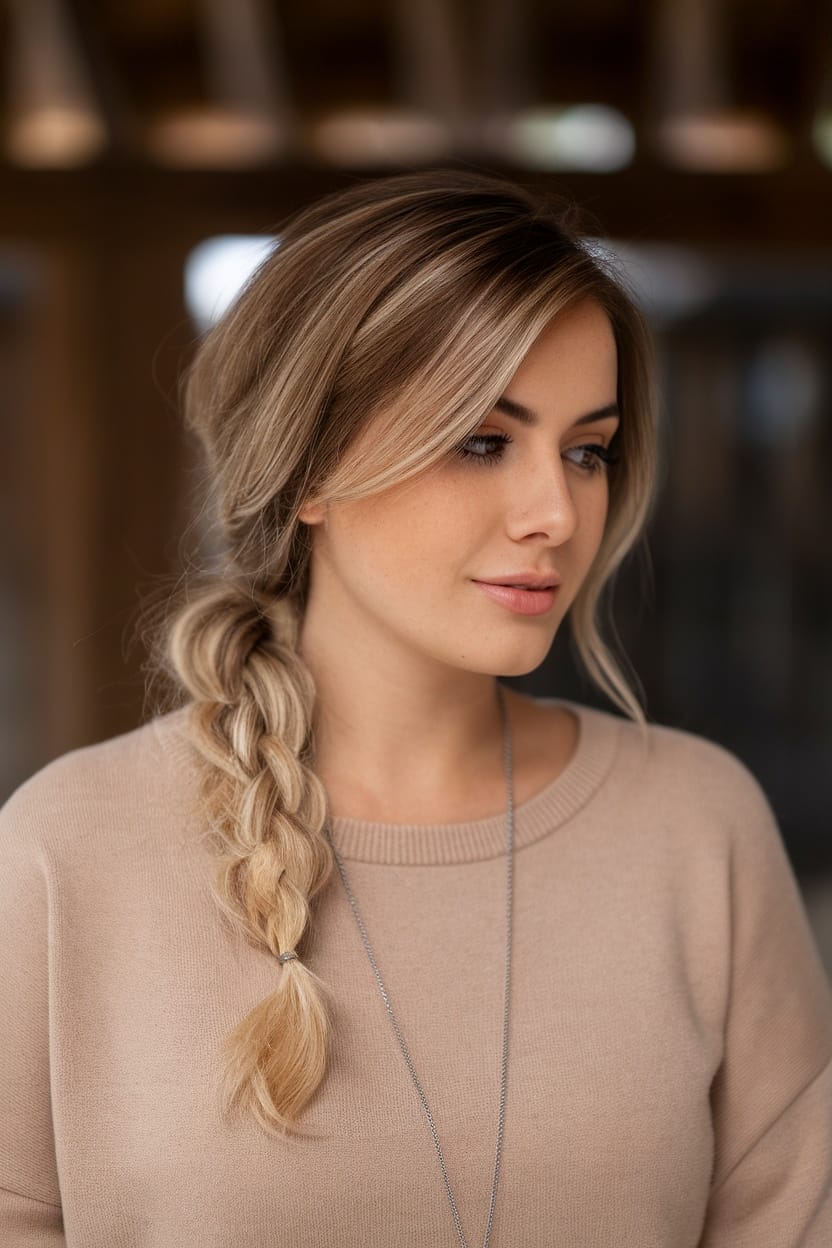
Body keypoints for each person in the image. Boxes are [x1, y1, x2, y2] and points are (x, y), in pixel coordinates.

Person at [1, 169, 831, 1248]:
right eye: (483, 441)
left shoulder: (695, 828)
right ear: (308, 470)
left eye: (587, 450)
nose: (555, 512)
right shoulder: (66, 850)